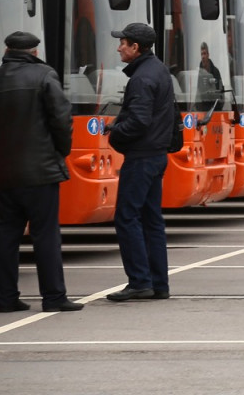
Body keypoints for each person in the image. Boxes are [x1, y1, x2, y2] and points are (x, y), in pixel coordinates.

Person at [0, 31, 82, 312]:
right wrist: (61, 151)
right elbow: (61, 120)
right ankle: (53, 297)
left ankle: (7, 299)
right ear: (34, 51)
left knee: (6, 236)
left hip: (5, 171)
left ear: (7, 50)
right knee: (45, 234)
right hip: (41, 170)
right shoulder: (45, 76)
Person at [105, 22, 173, 302]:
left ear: (136, 47)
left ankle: (139, 281)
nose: (119, 47)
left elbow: (139, 120)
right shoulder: (158, 69)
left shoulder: (142, 78)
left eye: (123, 42)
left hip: (142, 157)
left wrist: (114, 131)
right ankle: (158, 283)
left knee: (127, 217)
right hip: (156, 154)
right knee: (151, 219)